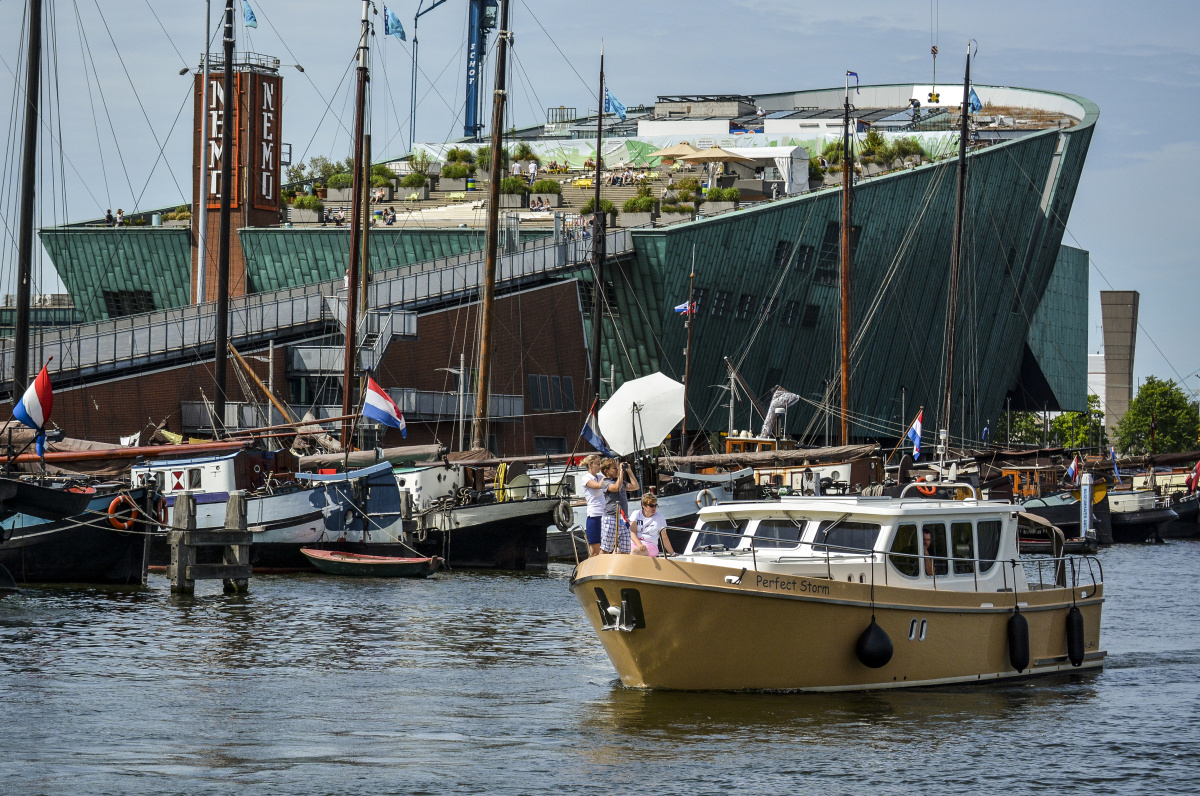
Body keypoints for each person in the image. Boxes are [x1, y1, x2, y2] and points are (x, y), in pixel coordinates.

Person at [600, 458, 639, 554]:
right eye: (614, 468)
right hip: (611, 517)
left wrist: (629, 471)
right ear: (606, 471)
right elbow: (616, 487)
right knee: (606, 549)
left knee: (625, 549)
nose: (617, 470)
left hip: (623, 518)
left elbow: (635, 486)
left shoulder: (621, 482)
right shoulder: (605, 482)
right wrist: (621, 472)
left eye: (617, 468)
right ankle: (599, 563)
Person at [581, 454, 606, 557]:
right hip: (594, 515)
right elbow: (598, 486)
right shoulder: (586, 478)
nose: (600, 467)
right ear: (590, 465)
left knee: (606, 548)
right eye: (598, 464)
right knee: (595, 549)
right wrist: (607, 475)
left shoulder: (600, 477)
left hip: (605, 515)